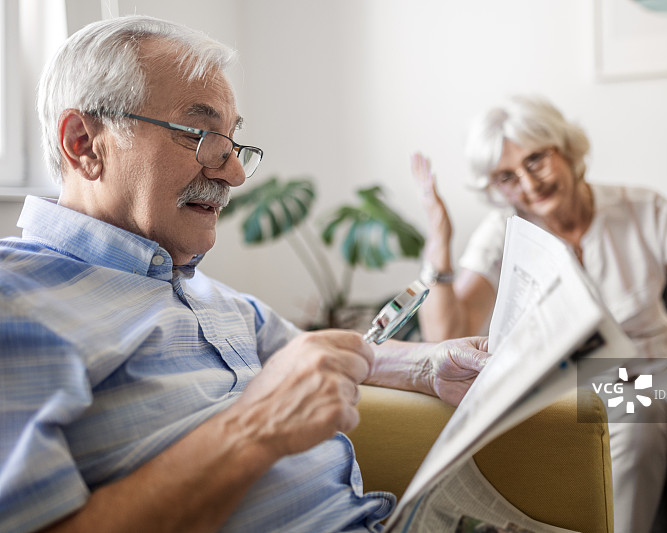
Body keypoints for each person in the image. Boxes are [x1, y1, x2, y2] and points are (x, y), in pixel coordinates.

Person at [0, 16, 491, 533]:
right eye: (203, 136)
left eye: (232, 142)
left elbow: (307, 348)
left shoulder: (199, 290)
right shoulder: (18, 300)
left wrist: (430, 363)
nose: (233, 172)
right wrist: (256, 426)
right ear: (83, 142)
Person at [410, 94, 667, 533]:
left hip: (658, 364)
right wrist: (439, 241)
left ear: (566, 149)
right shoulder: (502, 233)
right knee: (638, 419)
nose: (529, 184)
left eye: (536, 160)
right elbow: (446, 331)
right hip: (576, 380)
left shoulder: (642, 207)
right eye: (507, 177)